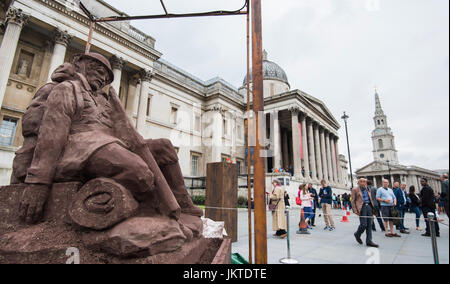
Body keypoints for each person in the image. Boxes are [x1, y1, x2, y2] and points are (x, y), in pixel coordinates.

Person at [13, 53, 202, 224]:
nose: (103, 77)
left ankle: (182, 201)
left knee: (164, 147)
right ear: (80, 65)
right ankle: (141, 210)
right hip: (79, 148)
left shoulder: (104, 99)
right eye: (98, 69)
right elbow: (51, 133)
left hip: (108, 143)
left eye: (106, 75)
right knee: (139, 172)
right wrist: (38, 181)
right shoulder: (66, 88)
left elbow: (124, 132)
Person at [352, 178, 379, 248]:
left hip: (369, 206)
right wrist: (355, 210)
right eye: (361, 181)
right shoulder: (355, 189)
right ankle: (357, 234)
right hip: (362, 207)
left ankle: (369, 241)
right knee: (363, 224)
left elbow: (371, 198)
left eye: (364, 181)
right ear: (358, 183)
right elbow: (353, 201)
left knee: (370, 224)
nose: (363, 183)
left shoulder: (368, 189)